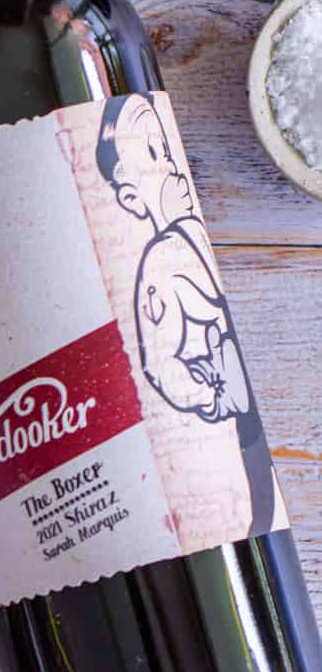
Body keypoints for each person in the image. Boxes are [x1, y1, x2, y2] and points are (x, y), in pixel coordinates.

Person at [95, 92, 274, 535]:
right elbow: (160, 363)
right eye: (152, 152)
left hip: (249, 424)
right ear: (131, 197)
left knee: (262, 508)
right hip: (223, 434)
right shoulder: (160, 261)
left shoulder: (188, 232)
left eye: (165, 145)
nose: (169, 162)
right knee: (251, 510)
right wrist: (212, 397)